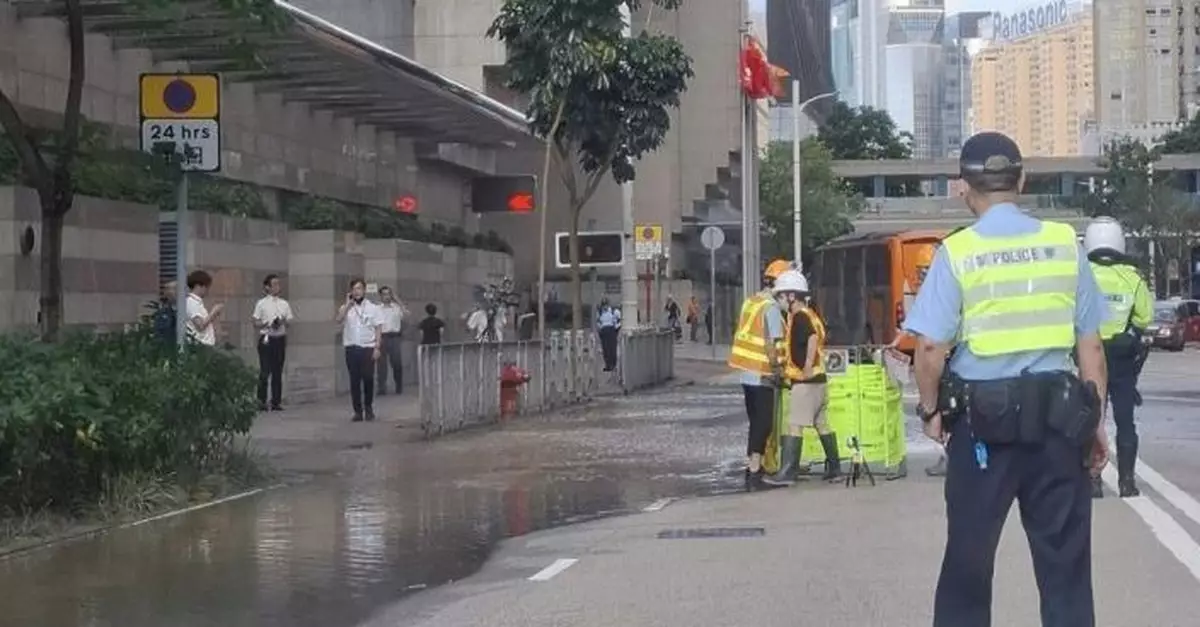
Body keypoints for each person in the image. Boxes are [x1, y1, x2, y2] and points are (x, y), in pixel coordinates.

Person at [904, 132, 1110, 627]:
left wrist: (931, 412)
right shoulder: (1064, 243)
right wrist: (1094, 424)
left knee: (968, 567)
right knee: (1065, 569)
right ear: (1022, 180)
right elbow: (1092, 349)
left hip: (983, 430)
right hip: (1061, 427)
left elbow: (930, 349)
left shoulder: (958, 253)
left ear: (962, 187)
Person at [1084, 216, 1153, 498]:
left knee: (1089, 417)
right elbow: (1145, 317)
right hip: (1123, 358)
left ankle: (1093, 481)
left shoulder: (1082, 274)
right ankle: (1127, 481)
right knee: (1125, 421)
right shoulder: (1132, 277)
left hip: (1089, 354)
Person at [763, 270, 840, 486]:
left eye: (780, 295)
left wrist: (806, 365)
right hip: (819, 380)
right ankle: (835, 468)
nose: (779, 300)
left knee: (794, 425)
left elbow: (812, 338)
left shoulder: (800, 316)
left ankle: (788, 472)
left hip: (806, 382)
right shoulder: (811, 314)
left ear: (791, 296)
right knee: (821, 424)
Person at [727, 258, 790, 491]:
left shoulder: (751, 301)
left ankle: (752, 467)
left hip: (746, 372)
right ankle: (755, 470)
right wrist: (778, 370)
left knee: (755, 422)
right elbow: (772, 344)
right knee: (764, 424)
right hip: (764, 372)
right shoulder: (771, 307)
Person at [336, 278, 382, 422]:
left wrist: (377, 347)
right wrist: (348, 305)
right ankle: (357, 411)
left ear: (364, 290)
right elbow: (338, 319)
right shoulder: (346, 308)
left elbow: (378, 328)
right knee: (354, 381)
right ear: (351, 291)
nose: (357, 291)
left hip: (368, 347)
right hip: (351, 347)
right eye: (354, 289)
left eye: (359, 288)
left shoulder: (373, 308)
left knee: (368, 378)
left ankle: (368, 407)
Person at [252, 274, 294, 411]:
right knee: (265, 371)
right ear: (267, 287)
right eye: (274, 284)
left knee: (278, 371)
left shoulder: (284, 304)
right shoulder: (261, 303)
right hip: (266, 338)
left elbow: (290, 321)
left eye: (278, 284)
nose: (277, 287)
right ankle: (261, 401)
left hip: (280, 339)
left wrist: (282, 321)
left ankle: (276, 401)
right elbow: (255, 322)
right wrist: (266, 324)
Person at [375, 286, 409, 396]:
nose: (386, 296)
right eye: (384, 294)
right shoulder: (377, 308)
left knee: (396, 363)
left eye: (388, 294)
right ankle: (381, 387)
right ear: (380, 296)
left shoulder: (396, 308)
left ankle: (399, 385)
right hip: (382, 337)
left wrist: (398, 300)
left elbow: (407, 315)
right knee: (381, 364)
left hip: (394, 337)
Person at [185, 270, 223, 346]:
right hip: (199, 346)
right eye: (206, 287)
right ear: (198, 286)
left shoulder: (197, 302)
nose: (207, 290)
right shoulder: (191, 302)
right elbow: (200, 325)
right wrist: (214, 312)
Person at [596, 298, 621, 371]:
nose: (605, 307)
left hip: (612, 330)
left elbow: (620, 320)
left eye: (606, 305)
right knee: (605, 348)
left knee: (612, 348)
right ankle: (608, 364)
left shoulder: (614, 311)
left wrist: (616, 328)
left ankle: (613, 364)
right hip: (604, 331)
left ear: (608, 304)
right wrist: (599, 329)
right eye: (603, 305)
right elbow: (598, 322)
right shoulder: (600, 312)